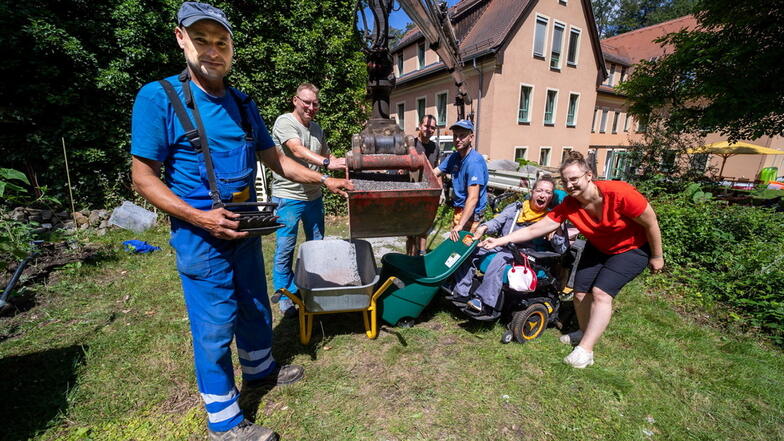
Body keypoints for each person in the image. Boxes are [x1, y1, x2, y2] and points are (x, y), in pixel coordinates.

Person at [130, 3, 352, 439]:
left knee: (254, 306)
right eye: (202, 41)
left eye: (221, 43)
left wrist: (326, 181)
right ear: (181, 39)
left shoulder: (242, 103)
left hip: (246, 228)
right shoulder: (159, 98)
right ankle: (225, 423)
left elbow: (279, 163)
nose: (213, 52)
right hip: (200, 236)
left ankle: (260, 371)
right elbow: (143, 178)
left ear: (231, 48)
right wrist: (199, 217)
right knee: (214, 326)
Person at [480, 151, 663, 368]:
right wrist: (500, 241)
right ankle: (583, 332)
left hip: (632, 248)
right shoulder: (570, 204)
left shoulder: (619, 193)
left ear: (589, 175)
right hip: (599, 246)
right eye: (565, 181)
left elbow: (651, 222)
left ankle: (586, 350)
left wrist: (657, 255)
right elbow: (538, 228)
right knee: (579, 292)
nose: (570, 184)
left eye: (574, 179)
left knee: (601, 293)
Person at [270, 83, 346, 318]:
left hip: (314, 196)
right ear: (295, 101)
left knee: (317, 244)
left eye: (315, 103)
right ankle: (285, 294)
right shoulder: (285, 122)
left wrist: (345, 164)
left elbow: (326, 155)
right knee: (285, 247)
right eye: (307, 102)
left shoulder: (317, 128)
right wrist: (326, 164)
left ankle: (312, 286)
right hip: (288, 197)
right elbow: (298, 150)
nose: (311, 107)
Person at [448, 176, 567, 315]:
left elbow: (561, 248)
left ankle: (484, 302)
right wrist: (484, 227)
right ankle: (461, 292)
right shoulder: (517, 208)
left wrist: (558, 228)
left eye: (547, 192)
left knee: (500, 259)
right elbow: (498, 222)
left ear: (551, 197)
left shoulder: (550, 219)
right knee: (471, 251)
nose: (542, 195)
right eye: (539, 190)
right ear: (532, 192)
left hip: (526, 254)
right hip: (503, 244)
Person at [433, 119, 488, 242]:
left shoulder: (474, 162)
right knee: (456, 246)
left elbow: (473, 198)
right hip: (459, 209)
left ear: (471, 137)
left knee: (467, 248)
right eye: (455, 136)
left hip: (472, 213)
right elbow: (435, 173)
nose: (457, 139)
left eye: (462, 135)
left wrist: (460, 225)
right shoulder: (454, 157)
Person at [406, 114, 439, 256]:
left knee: (425, 227)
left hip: (427, 192)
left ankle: (422, 254)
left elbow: (437, 169)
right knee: (410, 231)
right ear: (420, 126)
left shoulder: (434, 147)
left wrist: (440, 191)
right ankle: (410, 257)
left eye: (432, 127)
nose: (429, 129)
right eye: (426, 126)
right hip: (410, 191)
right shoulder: (410, 143)